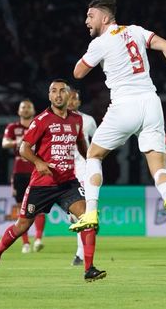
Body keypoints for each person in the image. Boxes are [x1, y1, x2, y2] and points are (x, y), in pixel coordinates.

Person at [69, 0, 166, 241]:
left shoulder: (100, 42)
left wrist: (90, 52)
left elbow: (78, 72)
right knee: (158, 164)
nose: (86, 20)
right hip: (151, 102)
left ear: (105, 17)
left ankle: (91, 212)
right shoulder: (137, 31)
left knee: (94, 155)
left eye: (91, 15)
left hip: (124, 104)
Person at [0, 79, 105, 283]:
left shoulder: (76, 120)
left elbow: (81, 144)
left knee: (88, 218)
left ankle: (89, 268)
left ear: (68, 95)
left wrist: (92, 158)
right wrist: (38, 163)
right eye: (53, 91)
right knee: (21, 226)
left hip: (67, 183)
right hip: (42, 184)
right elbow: (23, 149)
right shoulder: (42, 120)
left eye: (62, 91)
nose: (58, 95)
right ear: (49, 96)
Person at [2, 99, 46, 253]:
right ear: (19, 111)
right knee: (22, 208)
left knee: (39, 207)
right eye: (23, 107)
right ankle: (26, 243)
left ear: (33, 110)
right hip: (19, 172)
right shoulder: (13, 127)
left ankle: (39, 239)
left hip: (37, 170)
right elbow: (4, 143)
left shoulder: (39, 125)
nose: (26, 109)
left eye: (29, 107)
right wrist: (17, 142)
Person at [67, 89, 98, 266]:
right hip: (61, 171)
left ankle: (80, 254)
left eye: (74, 99)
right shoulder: (53, 119)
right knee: (72, 216)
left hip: (81, 171)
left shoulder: (87, 121)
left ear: (79, 102)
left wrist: (95, 163)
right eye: (68, 98)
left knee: (82, 215)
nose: (71, 102)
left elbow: (97, 142)